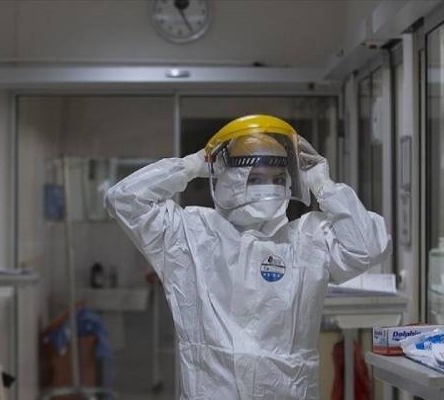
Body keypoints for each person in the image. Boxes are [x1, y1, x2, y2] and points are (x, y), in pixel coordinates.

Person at [105, 114, 390, 399]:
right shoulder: (191, 236)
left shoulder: (309, 238)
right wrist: (191, 166)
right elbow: (124, 200)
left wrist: (324, 186)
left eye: (278, 179)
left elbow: (367, 247)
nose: (270, 187)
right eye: (255, 178)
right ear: (228, 179)